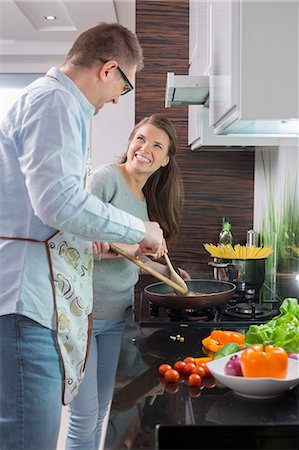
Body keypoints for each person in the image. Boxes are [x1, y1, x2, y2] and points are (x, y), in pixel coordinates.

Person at [0, 23, 165, 450]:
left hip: (37, 302)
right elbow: (58, 202)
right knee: (30, 439)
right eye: (122, 89)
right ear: (109, 69)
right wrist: (137, 231)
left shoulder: (59, 105)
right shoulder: (55, 101)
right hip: (27, 302)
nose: (115, 100)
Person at [65, 114, 188, 450]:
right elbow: (77, 245)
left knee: (103, 410)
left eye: (156, 145)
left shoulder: (144, 201)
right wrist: (134, 246)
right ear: (130, 142)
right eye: (140, 139)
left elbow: (134, 257)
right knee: (84, 415)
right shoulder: (106, 178)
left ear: (164, 161)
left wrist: (166, 273)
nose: (144, 148)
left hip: (115, 316)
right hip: (84, 315)